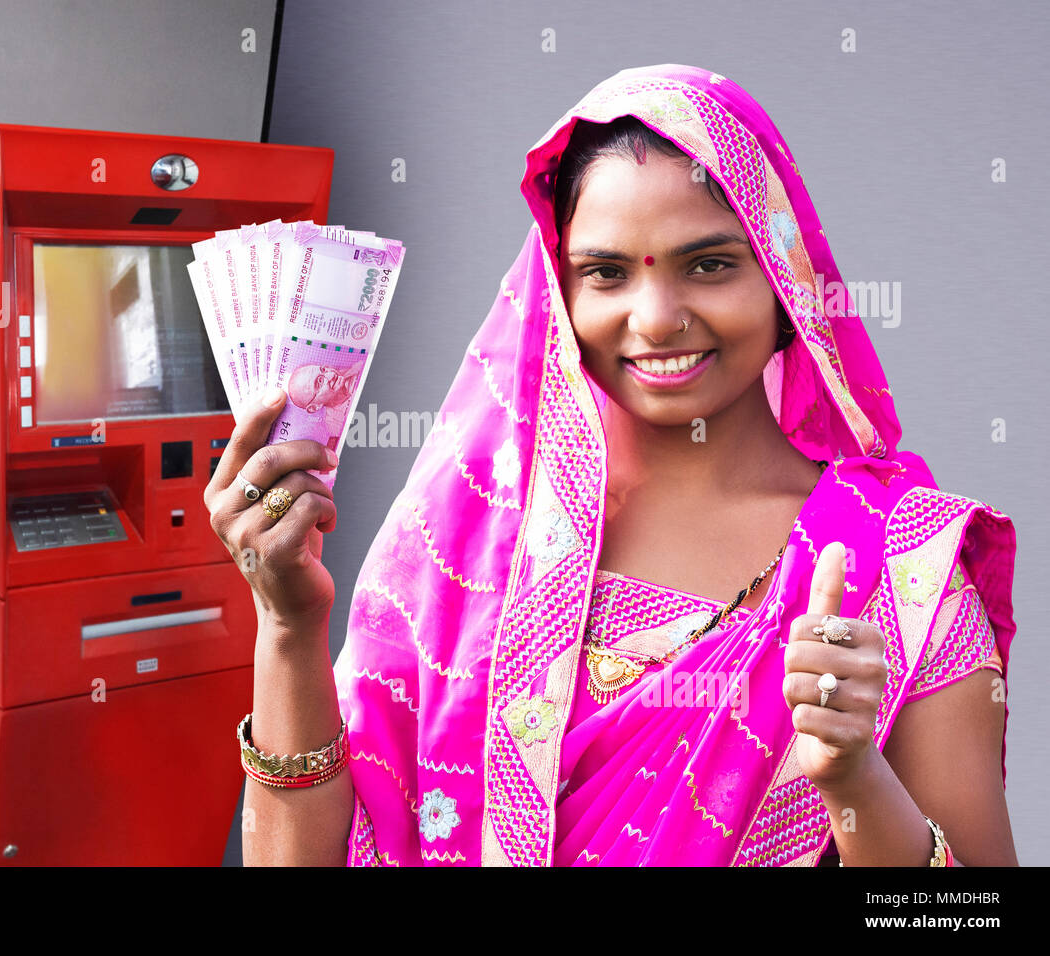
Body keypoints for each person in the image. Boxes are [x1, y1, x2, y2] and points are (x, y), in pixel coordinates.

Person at [205, 64, 1018, 866]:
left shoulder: (901, 568)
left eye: (710, 264)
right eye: (606, 273)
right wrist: (287, 628)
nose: (657, 319)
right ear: (559, 296)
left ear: (786, 280)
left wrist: (855, 780)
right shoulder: (463, 539)